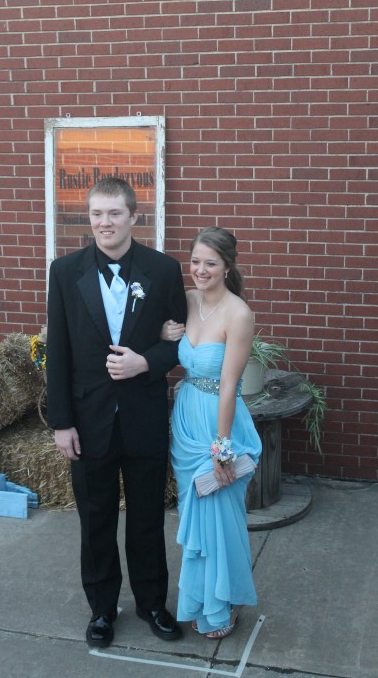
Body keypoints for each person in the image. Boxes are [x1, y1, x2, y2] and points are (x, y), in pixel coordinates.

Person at [46, 177, 187, 648]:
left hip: (144, 417)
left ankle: (152, 604)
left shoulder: (163, 270)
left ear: (134, 217)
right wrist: (61, 422)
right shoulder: (64, 272)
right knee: (96, 520)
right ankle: (103, 610)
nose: (104, 223)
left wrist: (146, 362)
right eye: (96, 214)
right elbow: (58, 352)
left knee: (147, 518)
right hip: (89, 421)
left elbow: (182, 342)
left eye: (114, 213)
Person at [161, 226, 262, 639]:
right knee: (195, 514)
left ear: (227, 266)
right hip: (186, 419)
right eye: (195, 261)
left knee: (221, 515)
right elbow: (165, 346)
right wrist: (163, 334)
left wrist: (222, 449)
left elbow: (228, 387)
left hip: (220, 423)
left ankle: (226, 602)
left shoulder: (239, 314)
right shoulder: (186, 301)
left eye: (211, 263)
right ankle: (201, 599)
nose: (201, 270)